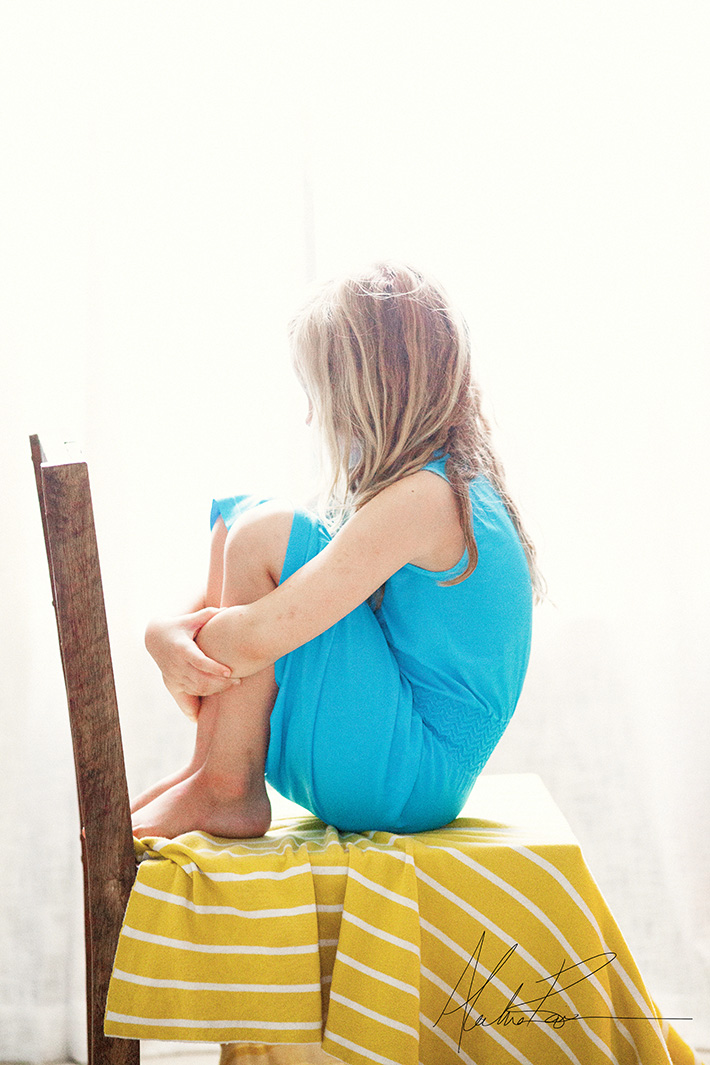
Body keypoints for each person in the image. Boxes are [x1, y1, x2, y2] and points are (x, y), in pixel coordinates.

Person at [131, 262, 541, 840]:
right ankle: (207, 771)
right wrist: (161, 632)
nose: (310, 414)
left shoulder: (427, 499)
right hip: (391, 760)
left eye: (318, 392)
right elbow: (242, 609)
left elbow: (252, 639)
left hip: (407, 776)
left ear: (370, 389)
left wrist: (188, 651)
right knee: (242, 513)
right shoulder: (427, 486)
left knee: (264, 533)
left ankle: (226, 785)